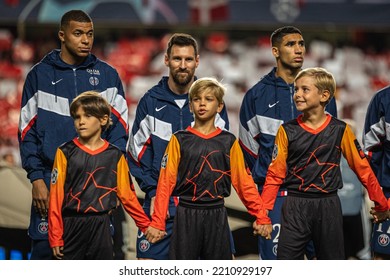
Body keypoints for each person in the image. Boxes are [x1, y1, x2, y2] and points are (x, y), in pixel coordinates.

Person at [17, 10, 128, 260]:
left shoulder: (108, 76)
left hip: (96, 186)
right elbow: (27, 133)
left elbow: (119, 134)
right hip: (49, 180)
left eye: (89, 34)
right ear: (62, 36)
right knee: (47, 259)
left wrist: (112, 180)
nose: (85, 40)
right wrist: (36, 179)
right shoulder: (39, 75)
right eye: (78, 33)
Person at [259, 67, 389, 260]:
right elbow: (275, 174)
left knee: (331, 266)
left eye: (305, 89)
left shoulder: (341, 130)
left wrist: (381, 204)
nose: (298, 95)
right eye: (296, 89)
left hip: (328, 206)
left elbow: (363, 170)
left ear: (324, 95)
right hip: (295, 205)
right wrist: (263, 214)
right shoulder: (286, 131)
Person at [127, 33, 230, 259]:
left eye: (188, 59)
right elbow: (136, 155)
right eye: (177, 59)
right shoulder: (151, 101)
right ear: (166, 60)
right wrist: (153, 191)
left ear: (197, 61)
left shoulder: (211, 102)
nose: (183, 66)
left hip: (204, 209)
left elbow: (222, 158)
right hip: (160, 207)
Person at [238, 26, 338, 260]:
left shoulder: (323, 93)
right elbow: (248, 153)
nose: (298, 49)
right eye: (290, 44)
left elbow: (331, 145)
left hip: (318, 196)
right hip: (275, 200)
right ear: (275, 51)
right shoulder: (255, 97)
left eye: (301, 44)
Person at [144, 77, 272, 259]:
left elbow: (243, 183)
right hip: (185, 214)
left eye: (208, 99)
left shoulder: (228, 141)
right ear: (190, 106)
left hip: (217, 214)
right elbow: (166, 183)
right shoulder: (179, 140)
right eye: (196, 99)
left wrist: (261, 216)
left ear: (219, 106)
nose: (202, 103)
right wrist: (158, 222)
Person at [48, 91, 150, 260]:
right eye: (77, 117)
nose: (81, 121)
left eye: (87, 116)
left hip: (102, 225)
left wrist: (146, 226)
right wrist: (55, 236)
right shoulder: (65, 152)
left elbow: (127, 196)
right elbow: (55, 198)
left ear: (103, 119)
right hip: (71, 225)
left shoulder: (115, 155)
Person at [363, 84, 390, 260]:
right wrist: (380, 199)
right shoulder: (382, 99)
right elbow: (371, 152)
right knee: (382, 258)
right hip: (387, 196)